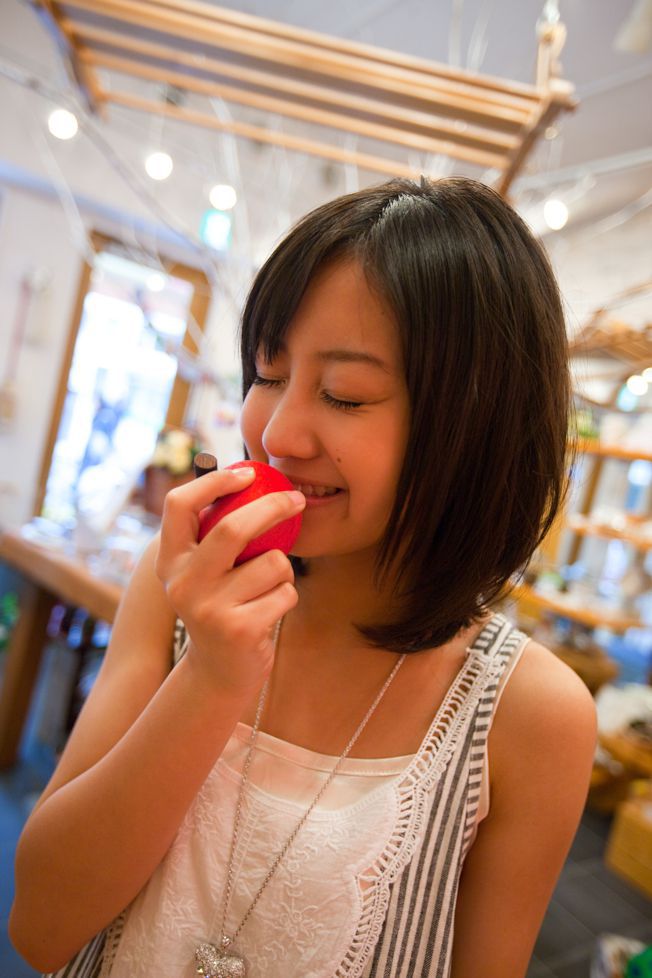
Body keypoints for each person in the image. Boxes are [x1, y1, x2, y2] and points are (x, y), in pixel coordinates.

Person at [10, 177, 597, 978]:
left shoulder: (529, 715)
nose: (278, 434)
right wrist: (212, 677)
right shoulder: (180, 587)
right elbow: (40, 926)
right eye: (268, 373)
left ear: (474, 426)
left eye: (345, 396)